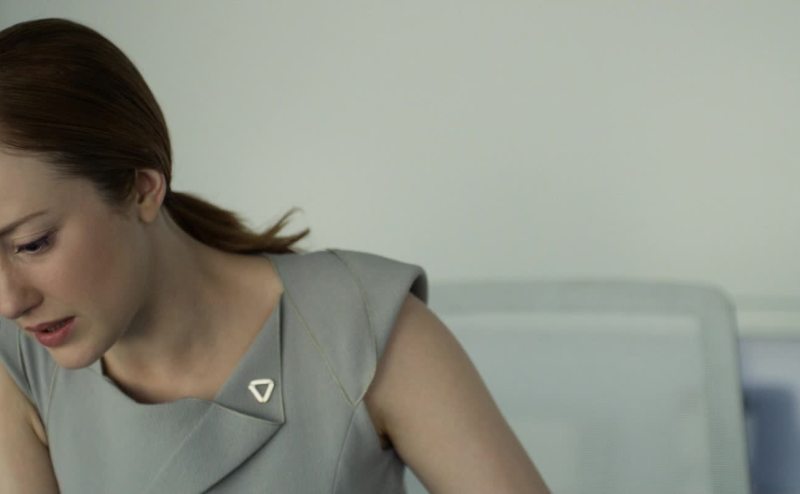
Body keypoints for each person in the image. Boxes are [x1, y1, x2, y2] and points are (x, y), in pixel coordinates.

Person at [0, 18, 550, 494]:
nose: (8, 302)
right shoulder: (20, 368)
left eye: (32, 244)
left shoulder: (362, 331)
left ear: (142, 189)